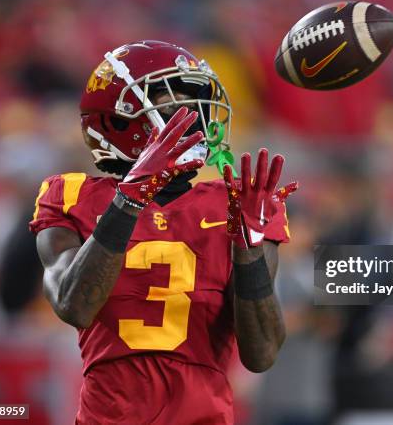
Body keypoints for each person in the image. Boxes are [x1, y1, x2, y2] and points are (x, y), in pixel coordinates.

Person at [29, 40, 297, 424]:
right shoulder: (71, 195)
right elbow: (74, 305)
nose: (196, 120)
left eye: (198, 106)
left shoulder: (237, 202)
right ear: (119, 119)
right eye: (174, 106)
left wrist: (248, 248)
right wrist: (130, 200)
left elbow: (262, 354)